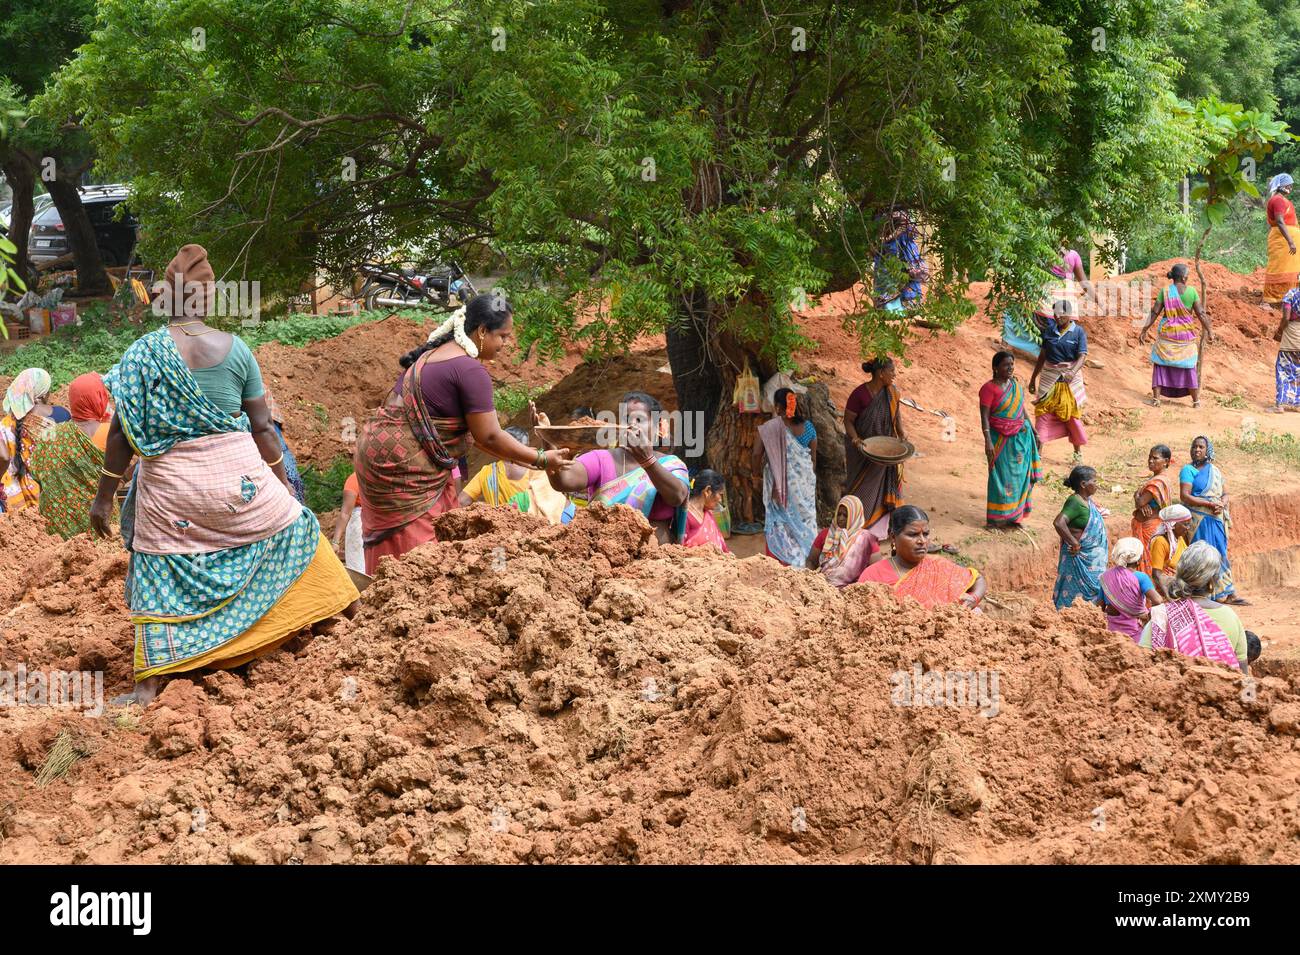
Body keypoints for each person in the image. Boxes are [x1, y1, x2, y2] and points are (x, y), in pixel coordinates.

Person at [89, 243, 359, 706]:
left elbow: (119, 435)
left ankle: (148, 684)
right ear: (210, 299)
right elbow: (262, 430)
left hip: (172, 496)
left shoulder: (142, 355)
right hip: (240, 487)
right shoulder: (236, 351)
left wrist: (102, 498)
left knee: (158, 566)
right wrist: (287, 487)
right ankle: (352, 609)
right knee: (298, 529)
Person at [354, 293, 571, 574]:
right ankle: (411, 602)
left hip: (377, 455)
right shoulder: (469, 369)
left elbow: (484, 438)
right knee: (418, 552)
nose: (505, 345)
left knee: (404, 542)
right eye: (503, 336)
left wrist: (535, 456)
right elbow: (489, 437)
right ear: (482, 331)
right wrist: (542, 458)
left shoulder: (434, 355)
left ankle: (390, 597)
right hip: (405, 465)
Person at [544, 391, 688, 542]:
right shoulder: (602, 458)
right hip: (605, 556)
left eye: (639, 419)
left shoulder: (672, 464)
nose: (632, 425)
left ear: (658, 427)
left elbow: (677, 496)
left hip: (657, 561)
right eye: (626, 419)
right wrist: (547, 441)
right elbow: (564, 481)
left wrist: (648, 462)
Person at [28, 373, 119, 538]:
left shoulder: (50, 434)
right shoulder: (111, 432)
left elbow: (36, 473)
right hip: (103, 524)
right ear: (100, 398)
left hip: (59, 530)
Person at [1139, 541, 1247, 672]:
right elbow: (1243, 676)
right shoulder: (1231, 618)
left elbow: (1143, 668)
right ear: (1212, 581)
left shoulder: (1162, 617)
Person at [857, 505, 986, 609]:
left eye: (926, 534)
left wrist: (974, 599)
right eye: (913, 535)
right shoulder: (873, 575)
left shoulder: (939, 565)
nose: (922, 541)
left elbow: (978, 579)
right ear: (893, 538)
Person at [1179, 436, 1246, 605]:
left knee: (1220, 553)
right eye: (1194, 447)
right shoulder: (1188, 470)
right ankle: (1206, 593)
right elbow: (1185, 496)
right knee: (1202, 554)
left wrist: (1221, 504)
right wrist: (1209, 504)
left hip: (1215, 518)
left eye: (1201, 447)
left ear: (1207, 450)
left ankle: (1226, 591)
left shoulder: (1215, 470)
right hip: (1198, 519)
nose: (1197, 450)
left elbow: (1226, 494)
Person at [755, 387, 819, 566]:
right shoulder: (808, 427)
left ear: (777, 406)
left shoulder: (770, 429)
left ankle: (785, 560)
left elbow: (755, 454)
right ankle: (809, 559)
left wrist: (756, 473)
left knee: (782, 520)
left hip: (780, 486)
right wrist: (802, 478)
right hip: (804, 484)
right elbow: (813, 459)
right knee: (805, 519)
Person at [843, 357, 906, 537]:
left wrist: (901, 433)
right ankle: (857, 527)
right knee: (860, 489)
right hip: (862, 451)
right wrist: (855, 439)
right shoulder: (860, 394)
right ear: (880, 373)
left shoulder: (892, 393)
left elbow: (897, 417)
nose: (894, 375)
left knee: (886, 486)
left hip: (885, 450)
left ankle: (880, 531)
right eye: (891, 371)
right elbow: (848, 420)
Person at [979, 350, 1042, 528]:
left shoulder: (1015, 385)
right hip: (999, 440)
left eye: (1012, 364)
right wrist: (987, 441)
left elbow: (1022, 410)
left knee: (1020, 476)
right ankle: (994, 519)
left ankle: (1015, 516)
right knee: (999, 476)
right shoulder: (988, 389)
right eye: (1006, 365)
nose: (1010, 368)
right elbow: (984, 417)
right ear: (995, 368)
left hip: (1021, 439)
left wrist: (1035, 431)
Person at [1138, 264, 1212, 407]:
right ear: (1184, 277)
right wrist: (1209, 330)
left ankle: (1156, 399)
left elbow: (1154, 312)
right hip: (1185, 335)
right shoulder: (1192, 292)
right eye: (1188, 275)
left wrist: (1144, 329)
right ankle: (1196, 401)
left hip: (1168, 335)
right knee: (1189, 366)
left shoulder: (1165, 291)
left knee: (1161, 363)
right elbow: (1201, 313)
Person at [0, 368, 68, 513]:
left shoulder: (5, 426)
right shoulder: (61, 415)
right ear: (44, 393)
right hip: (57, 496)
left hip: (18, 503)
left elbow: (4, 458)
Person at [1029, 300, 1089, 462]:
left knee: (1071, 416)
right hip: (1049, 377)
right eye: (1055, 314)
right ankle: (1037, 455)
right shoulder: (1049, 331)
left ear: (1069, 315)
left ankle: (1077, 454)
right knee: (1042, 413)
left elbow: (1082, 355)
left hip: (1069, 380)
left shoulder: (1078, 332)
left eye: (1061, 314)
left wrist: (1072, 371)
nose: (1057, 317)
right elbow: (1043, 356)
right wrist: (1033, 378)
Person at [1052, 465, 1109, 610]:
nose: (1097, 485)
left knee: (1095, 593)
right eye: (1094, 481)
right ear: (1083, 484)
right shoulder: (1075, 502)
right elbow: (1059, 522)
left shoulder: (1087, 502)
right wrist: (1074, 543)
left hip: (1092, 560)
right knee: (1073, 596)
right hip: (1078, 559)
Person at [806, 495, 880, 588]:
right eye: (839, 514)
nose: (841, 518)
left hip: (853, 592)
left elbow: (876, 569)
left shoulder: (866, 539)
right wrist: (810, 580)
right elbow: (811, 561)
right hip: (823, 588)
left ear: (855, 516)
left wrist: (861, 588)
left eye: (845, 515)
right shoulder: (826, 534)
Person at [1099, 537, 1163, 642]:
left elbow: (1099, 607)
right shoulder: (1141, 578)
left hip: (1111, 635)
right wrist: (1148, 616)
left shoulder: (1105, 577)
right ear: (1138, 559)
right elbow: (1158, 601)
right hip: (1135, 636)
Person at [459, 427, 534, 506]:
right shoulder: (537, 473)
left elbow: (461, 501)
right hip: (531, 517)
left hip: (497, 518)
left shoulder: (486, 472)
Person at [1130, 444, 1173, 574]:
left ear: (1166, 462)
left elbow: (1139, 501)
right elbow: (1141, 502)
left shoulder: (1158, 482)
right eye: (1149, 457)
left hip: (1150, 527)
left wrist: (1138, 495)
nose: (1150, 461)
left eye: (1155, 458)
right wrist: (1141, 502)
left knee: (1151, 561)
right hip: (1149, 526)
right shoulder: (1157, 480)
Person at [873, 210, 927, 311]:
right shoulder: (880, 213)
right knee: (886, 271)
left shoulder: (905, 219)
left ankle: (910, 305)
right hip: (888, 246)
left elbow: (912, 232)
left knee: (909, 272)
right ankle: (888, 308)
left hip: (903, 245)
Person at [263, 386, 306, 503]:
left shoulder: (256, 385)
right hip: (264, 424)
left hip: (266, 424)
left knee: (287, 472)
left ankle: (297, 506)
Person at [1264, 173, 1300, 303]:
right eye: (1288, 184)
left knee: (1291, 268)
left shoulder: (1283, 200)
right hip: (1283, 241)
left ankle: (1287, 298)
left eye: (1291, 185)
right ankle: (1269, 300)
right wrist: (1290, 241)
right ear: (1281, 186)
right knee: (1278, 267)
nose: (1290, 187)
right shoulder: (1278, 200)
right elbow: (1279, 221)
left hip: (1287, 239)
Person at [1149, 503, 1193, 599]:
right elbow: (1156, 574)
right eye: (1185, 524)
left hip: (1178, 586)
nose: (1188, 528)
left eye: (1189, 524)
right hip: (1166, 589)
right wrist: (1169, 598)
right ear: (1172, 525)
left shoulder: (1180, 538)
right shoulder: (1160, 541)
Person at [682, 469, 729, 553]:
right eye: (720, 494)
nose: (720, 500)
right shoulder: (685, 516)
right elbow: (681, 550)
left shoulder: (707, 513)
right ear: (708, 491)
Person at [1272, 285, 1300, 412]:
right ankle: (1297, 403)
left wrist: (1279, 331)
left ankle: (1281, 404)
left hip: (1291, 336)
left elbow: (1286, 318)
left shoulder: (1291, 294)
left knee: (1283, 368)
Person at [331, 471, 365, 575]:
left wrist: (335, 542)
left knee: (358, 567)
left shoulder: (355, 478)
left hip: (359, 525)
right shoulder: (381, 477)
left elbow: (345, 513)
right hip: (378, 524)